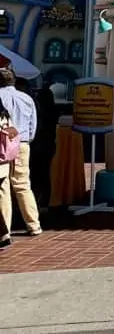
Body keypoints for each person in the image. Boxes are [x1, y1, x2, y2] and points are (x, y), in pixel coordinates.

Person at [0, 67, 42, 236]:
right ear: (14, 81)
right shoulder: (27, 98)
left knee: (2, 186)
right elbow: (33, 125)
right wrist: (26, 140)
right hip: (22, 143)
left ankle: (5, 230)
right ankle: (34, 224)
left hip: (2, 143)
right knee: (22, 184)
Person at [30, 85, 58, 211]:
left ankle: (36, 201)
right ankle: (45, 202)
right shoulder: (54, 112)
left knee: (35, 175)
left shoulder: (40, 113)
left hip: (38, 146)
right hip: (49, 146)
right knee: (45, 175)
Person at [0, 103, 18, 249]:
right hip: (4, 162)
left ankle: (3, 233)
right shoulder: (5, 116)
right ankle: (5, 233)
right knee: (4, 196)